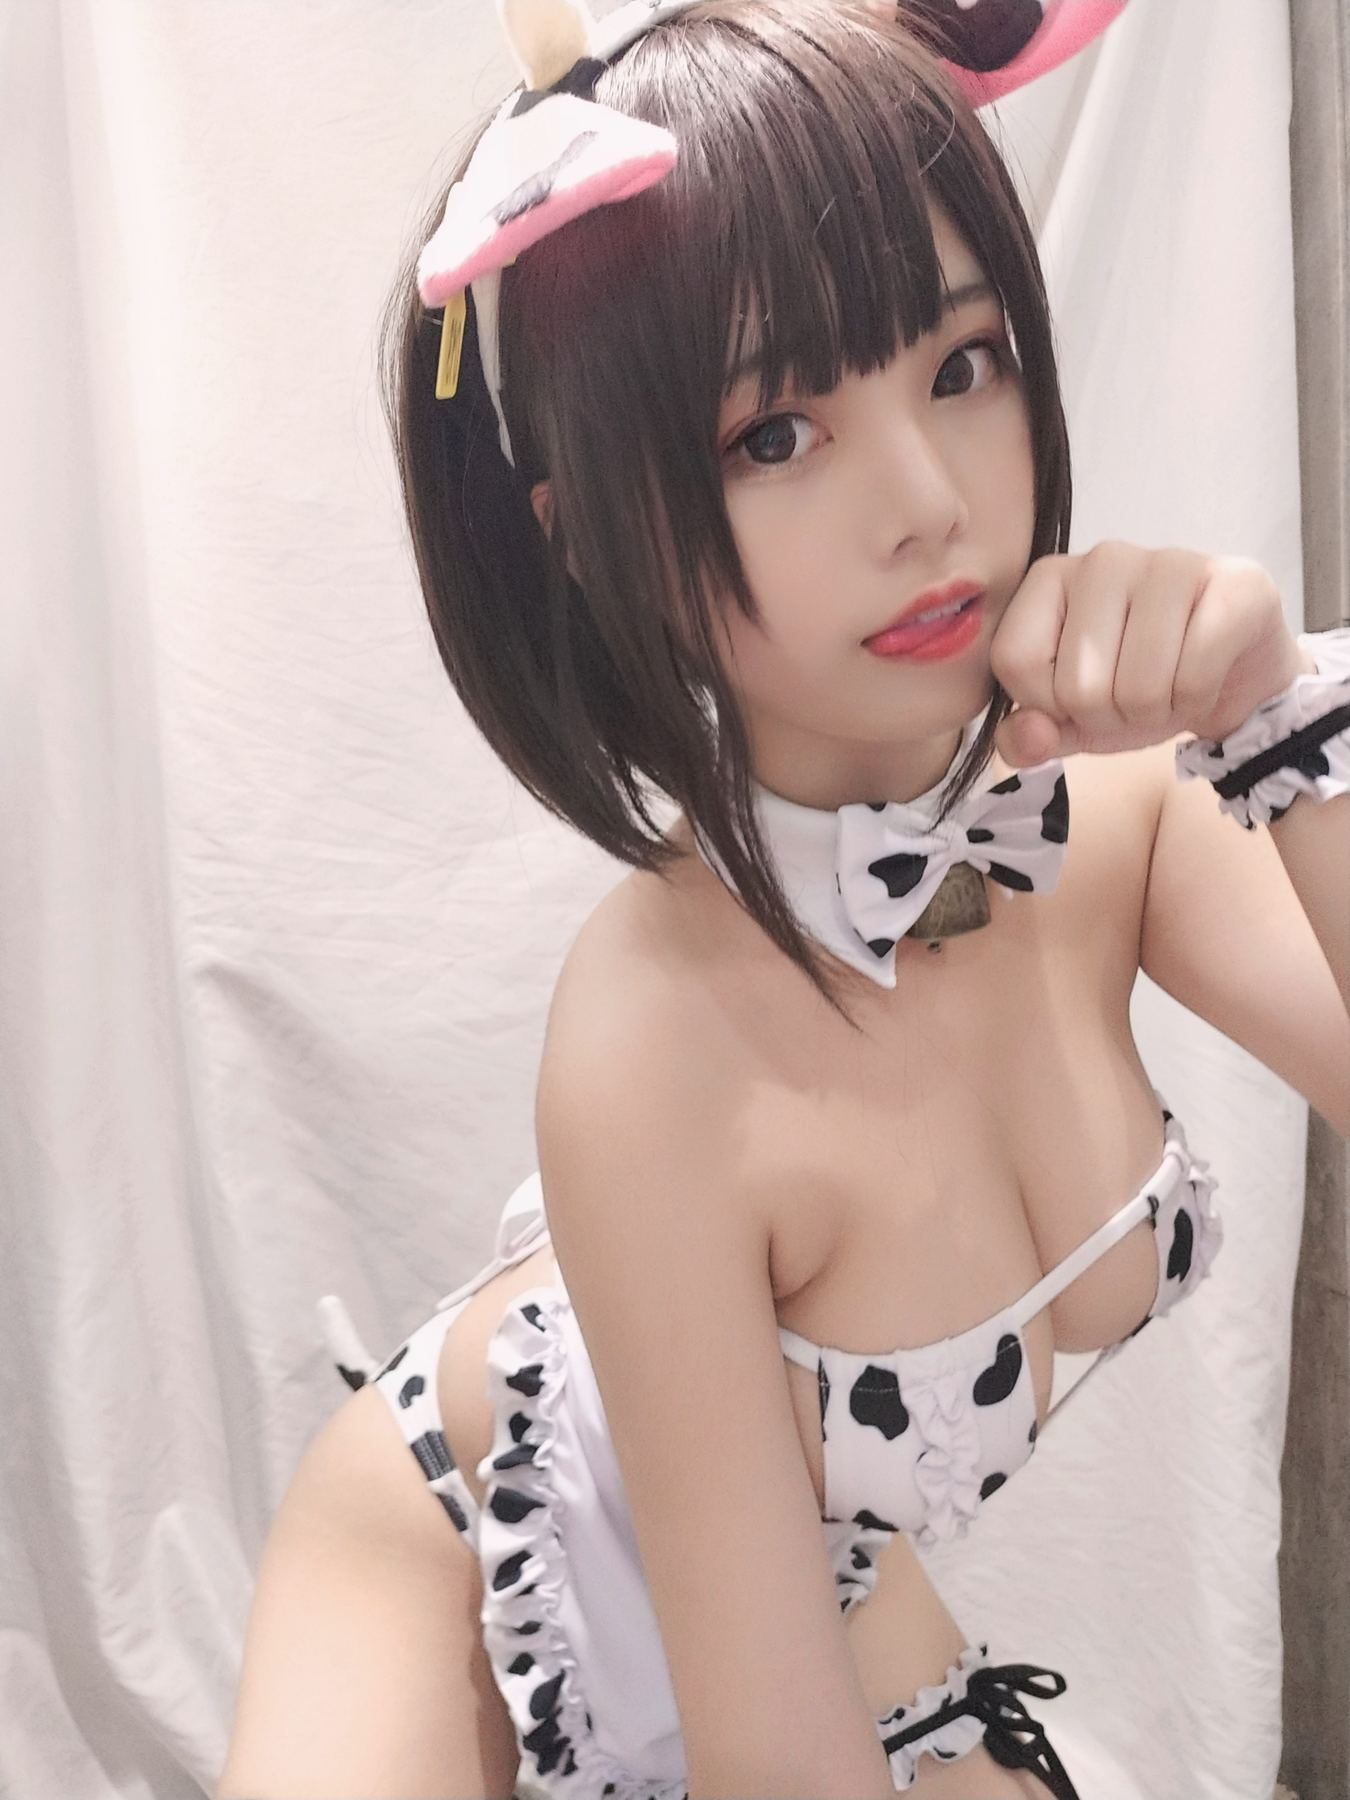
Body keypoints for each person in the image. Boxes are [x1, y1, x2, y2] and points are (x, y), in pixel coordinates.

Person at [216, 3, 1350, 1797]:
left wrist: (1281, 723)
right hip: (448, 1533)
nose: (925, 504)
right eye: (771, 436)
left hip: (798, 1569)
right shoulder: (652, 1038)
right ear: (586, 531)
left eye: (962, 365)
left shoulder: (1122, 812)